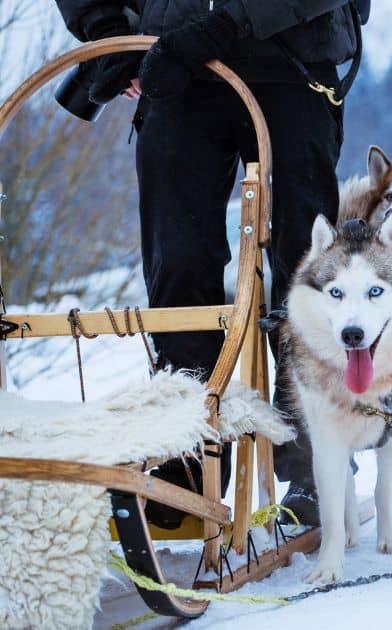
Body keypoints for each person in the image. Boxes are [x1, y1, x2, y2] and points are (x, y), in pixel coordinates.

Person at [53, 0, 370, 527]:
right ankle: (187, 457)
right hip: (175, 67)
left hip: (290, 56)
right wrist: (106, 27)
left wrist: (226, 23)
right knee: (177, 265)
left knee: (304, 266)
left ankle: (317, 458)